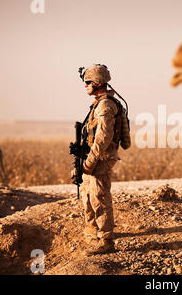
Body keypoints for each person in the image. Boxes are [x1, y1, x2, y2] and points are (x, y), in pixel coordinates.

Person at [72, 64, 120, 256]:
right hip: (93, 157)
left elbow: (103, 137)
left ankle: (106, 241)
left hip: (101, 159)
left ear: (98, 83)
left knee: (99, 198)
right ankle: (94, 231)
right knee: (87, 195)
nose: (85, 86)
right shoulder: (98, 103)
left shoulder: (106, 106)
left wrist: (90, 161)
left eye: (88, 82)